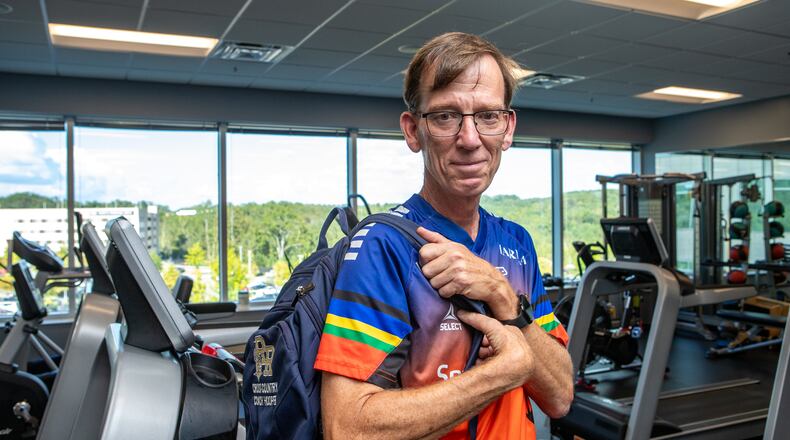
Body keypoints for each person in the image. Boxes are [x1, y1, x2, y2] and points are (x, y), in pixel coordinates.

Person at [314, 32, 573, 439]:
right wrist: (500, 374)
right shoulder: (385, 247)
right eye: (445, 116)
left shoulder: (516, 242)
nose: (470, 140)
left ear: (507, 128)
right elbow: (349, 428)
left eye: (488, 116)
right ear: (413, 131)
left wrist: (504, 297)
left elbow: (560, 396)